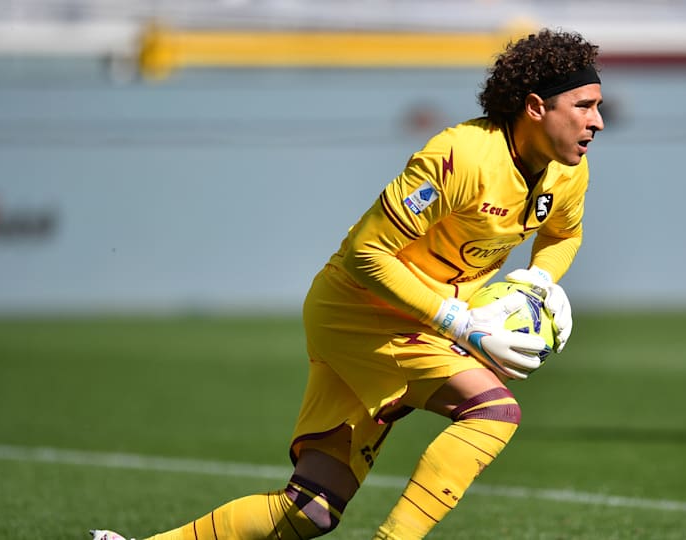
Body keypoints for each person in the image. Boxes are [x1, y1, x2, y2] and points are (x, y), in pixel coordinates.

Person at [92, 27, 603, 540]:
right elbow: (366, 255)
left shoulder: (567, 171)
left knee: (311, 508)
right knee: (492, 411)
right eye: (584, 106)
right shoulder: (462, 157)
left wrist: (537, 280)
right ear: (536, 107)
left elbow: (564, 234)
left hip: (420, 322)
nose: (597, 122)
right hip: (361, 312)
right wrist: (463, 325)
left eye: (598, 107)